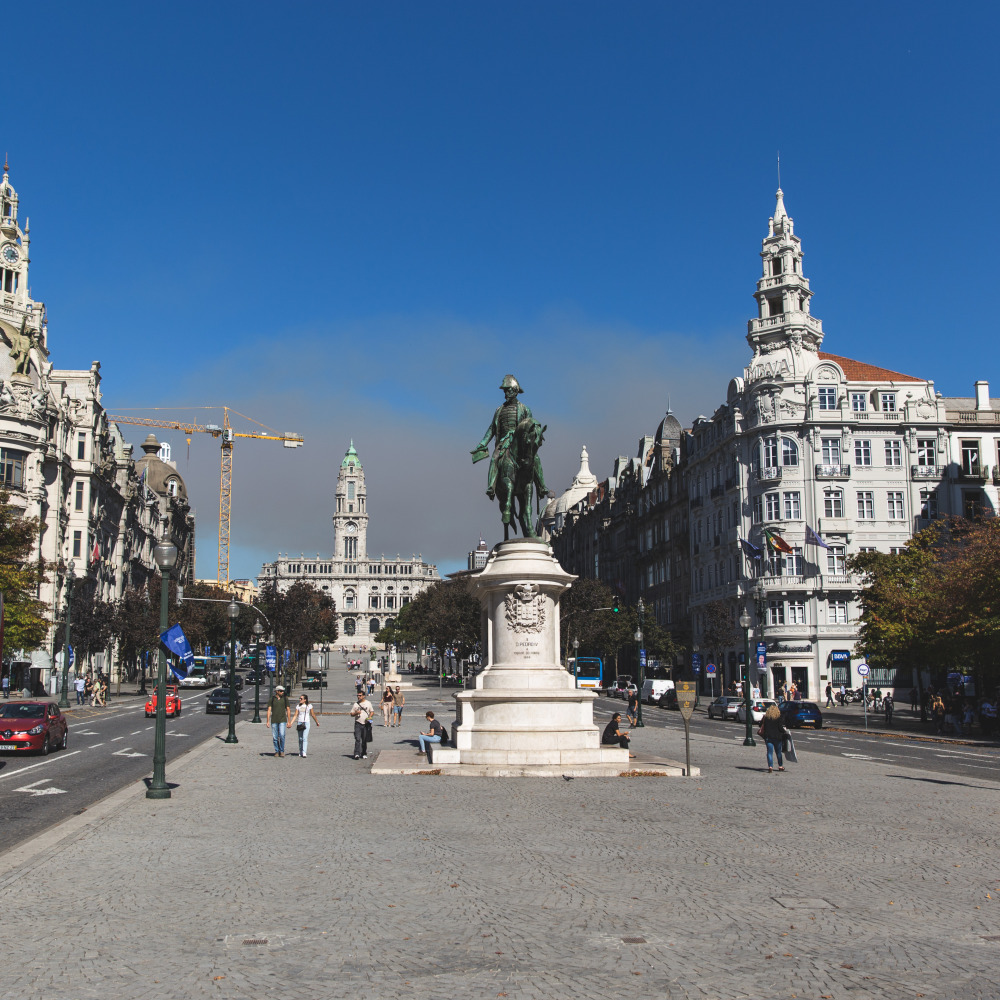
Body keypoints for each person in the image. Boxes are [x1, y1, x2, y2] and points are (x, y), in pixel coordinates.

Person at [758, 704, 788, 773]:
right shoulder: (778, 718)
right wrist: (785, 731)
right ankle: (780, 766)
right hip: (777, 737)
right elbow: (780, 728)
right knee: (778, 752)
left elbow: (760, 725)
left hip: (768, 737)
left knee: (769, 752)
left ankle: (770, 766)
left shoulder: (766, 718)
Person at [266, 684, 291, 757]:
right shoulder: (272, 699)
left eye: (283, 691)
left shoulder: (285, 698)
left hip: (282, 719)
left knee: (282, 735)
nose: (282, 692)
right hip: (274, 720)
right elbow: (269, 710)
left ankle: (282, 750)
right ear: (276, 691)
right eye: (281, 691)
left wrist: (289, 721)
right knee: (275, 737)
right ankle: (277, 751)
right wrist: (267, 721)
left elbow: (288, 709)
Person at [350, 689, 374, 759]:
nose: (358, 697)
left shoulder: (368, 703)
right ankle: (357, 753)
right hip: (358, 723)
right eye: (358, 695)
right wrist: (356, 713)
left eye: (360, 695)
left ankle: (364, 753)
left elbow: (372, 711)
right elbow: (351, 714)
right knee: (357, 738)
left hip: (366, 723)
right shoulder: (356, 704)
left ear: (363, 696)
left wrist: (370, 717)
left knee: (364, 739)